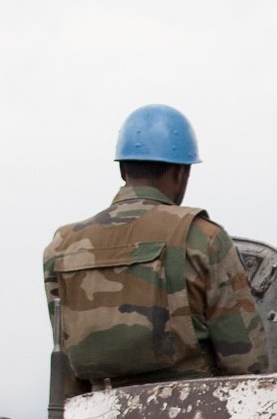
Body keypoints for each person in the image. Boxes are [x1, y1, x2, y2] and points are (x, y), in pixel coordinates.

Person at [41, 104, 265, 390]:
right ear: (181, 172)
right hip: (197, 416)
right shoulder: (203, 237)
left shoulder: (61, 246)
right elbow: (247, 364)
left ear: (123, 169)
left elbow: (66, 365)